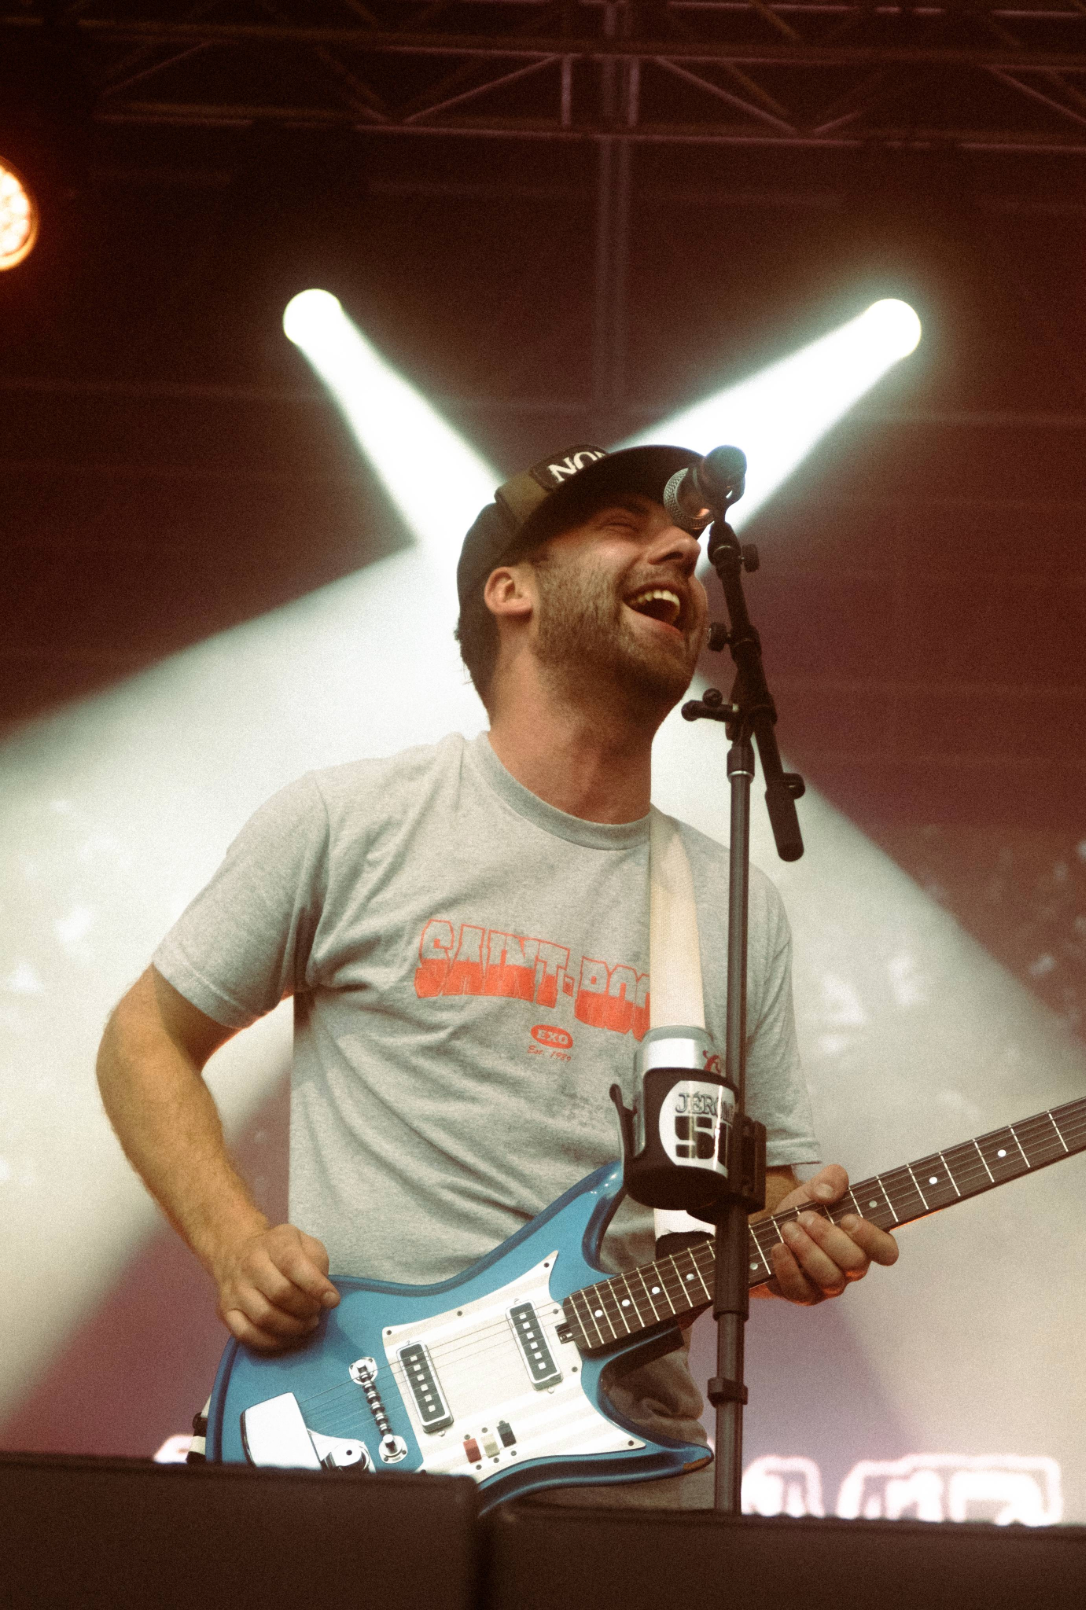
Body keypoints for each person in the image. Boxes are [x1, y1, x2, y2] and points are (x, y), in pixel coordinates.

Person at [96, 442, 898, 1508]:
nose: (678, 546)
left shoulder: (726, 900)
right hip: (366, 1441)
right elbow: (144, 1038)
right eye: (624, 524)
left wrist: (799, 1233)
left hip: (625, 1459)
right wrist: (236, 1244)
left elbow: (771, 1188)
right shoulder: (351, 821)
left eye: (687, 537)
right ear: (511, 589)